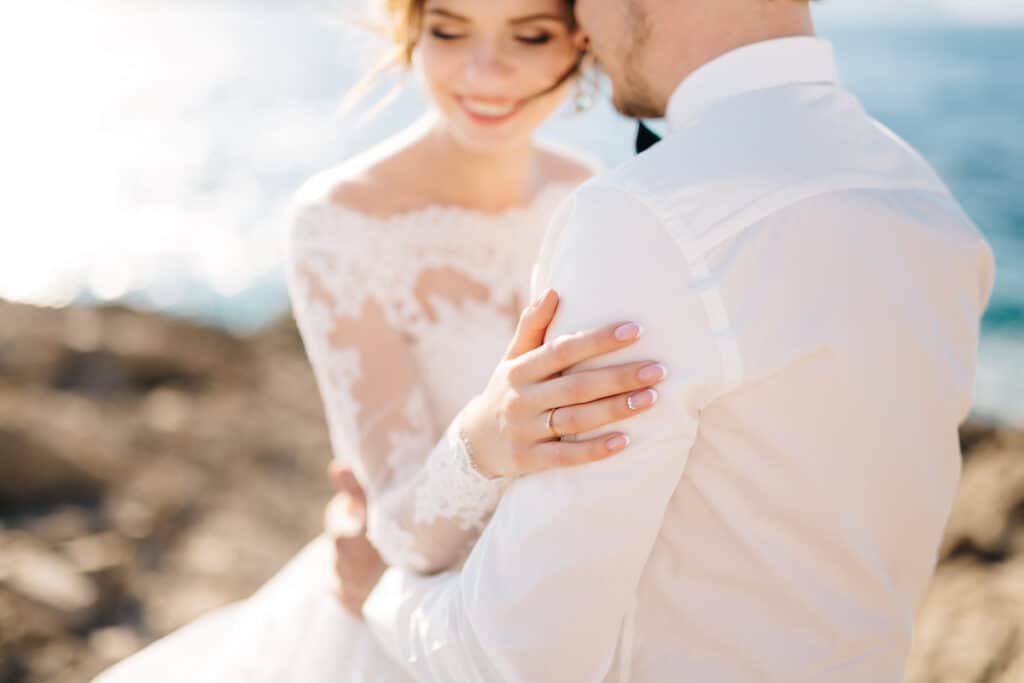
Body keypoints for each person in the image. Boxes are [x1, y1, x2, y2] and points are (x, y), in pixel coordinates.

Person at [356, 0, 997, 681]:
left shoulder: (645, 225)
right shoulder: (932, 210)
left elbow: (518, 657)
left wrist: (384, 594)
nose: (580, 29)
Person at [91, 1, 671, 681]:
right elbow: (393, 526)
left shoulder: (593, 195)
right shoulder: (339, 221)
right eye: (449, 31)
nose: (485, 70)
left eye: (531, 35)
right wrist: (485, 442)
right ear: (412, 31)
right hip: (406, 630)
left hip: (575, 608)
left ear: (582, 39)